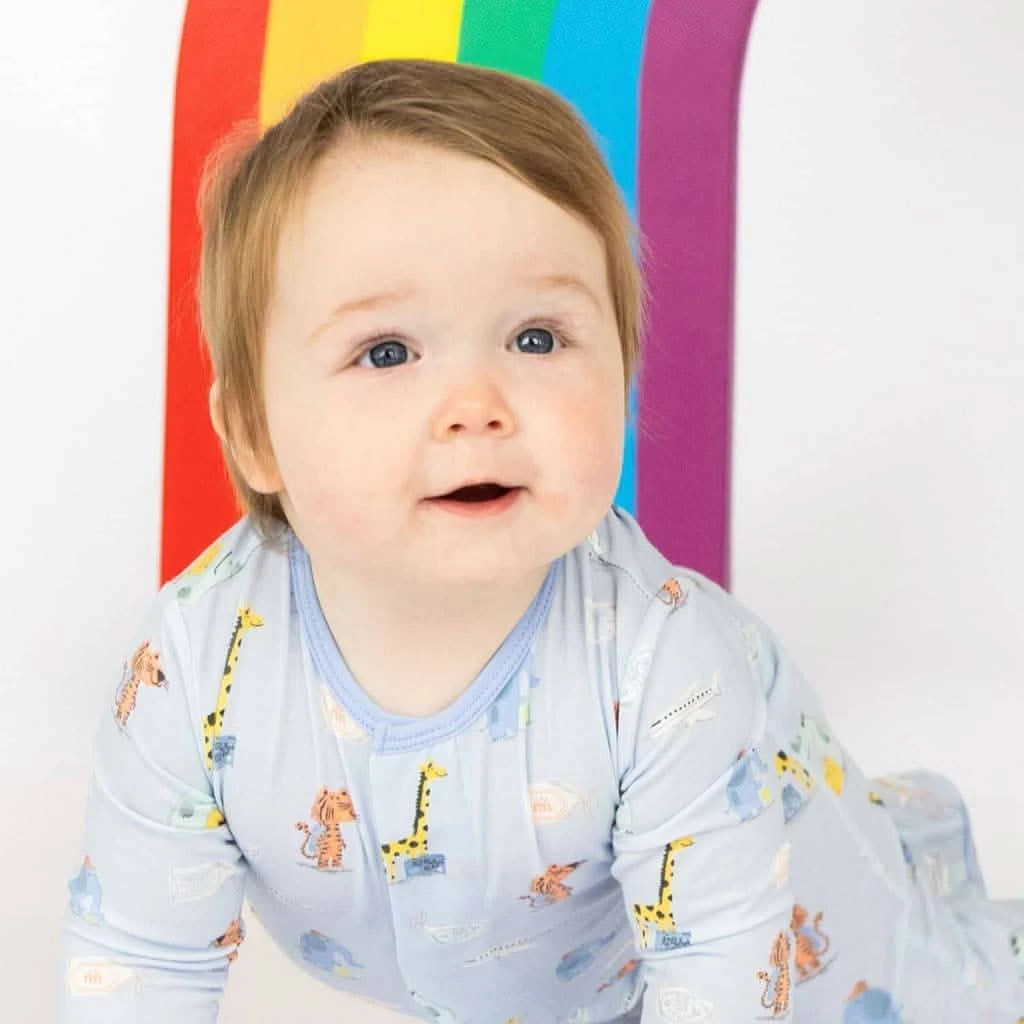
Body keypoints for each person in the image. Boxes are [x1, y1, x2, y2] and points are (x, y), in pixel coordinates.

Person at [59, 58, 1024, 1024]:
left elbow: (723, 973)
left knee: (941, 997)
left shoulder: (664, 669)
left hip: (785, 934)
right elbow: (140, 956)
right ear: (256, 435)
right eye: (387, 352)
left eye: (536, 339)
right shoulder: (192, 669)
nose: (476, 405)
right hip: (565, 983)